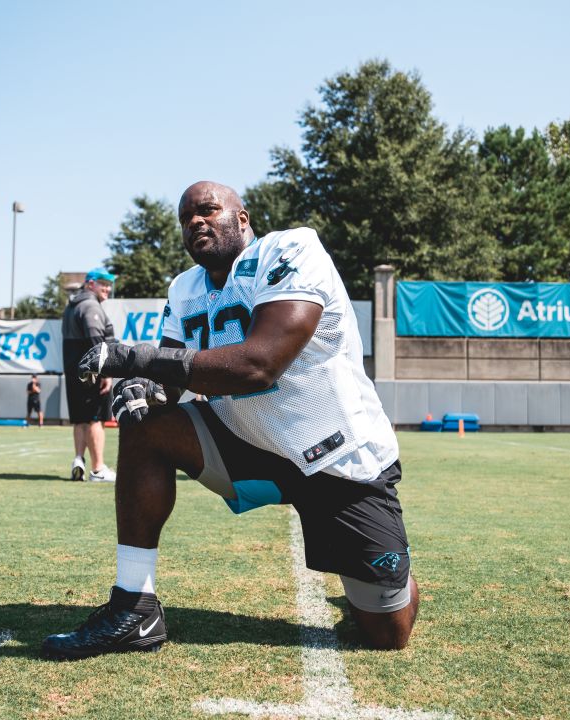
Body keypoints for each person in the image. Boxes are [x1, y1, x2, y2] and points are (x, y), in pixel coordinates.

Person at [42, 181, 416, 659]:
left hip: (335, 454)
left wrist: (135, 358)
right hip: (246, 441)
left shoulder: (292, 249)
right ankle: (134, 608)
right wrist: (141, 389)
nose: (195, 222)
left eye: (207, 211)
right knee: (144, 426)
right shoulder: (184, 287)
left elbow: (260, 364)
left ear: (242, 219)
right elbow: (171, 373)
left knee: (387, 634)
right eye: (185, 219)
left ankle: (393, 577)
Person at [61, 268, 118, 482]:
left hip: (73, 370)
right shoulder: (90, 305)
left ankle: (79, 460)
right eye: (103, 283)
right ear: (90, 284)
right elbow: (95, 338)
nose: (108, 288)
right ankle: (97, 470)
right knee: (96, 419)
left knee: (80, 420)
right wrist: (105, 372)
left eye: (109, 284)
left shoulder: (71, 306)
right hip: (91, 374)